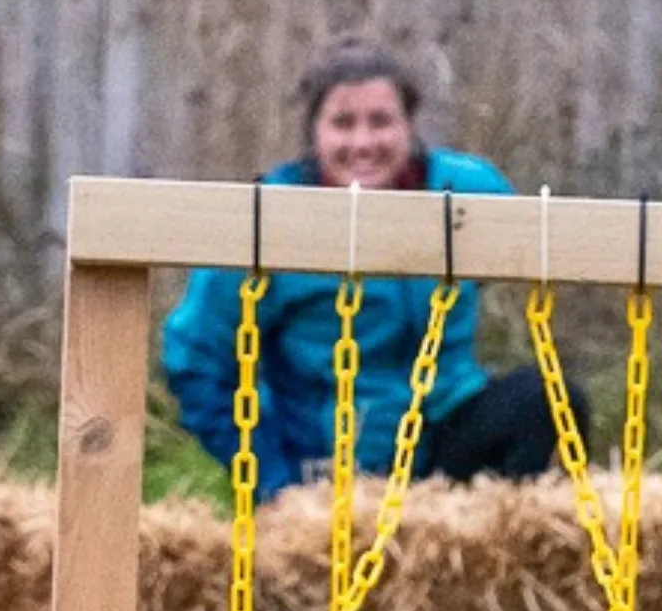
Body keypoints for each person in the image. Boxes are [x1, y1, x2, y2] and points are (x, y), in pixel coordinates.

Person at [161, 36, 583, 504]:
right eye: (343, 123)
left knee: (549, 399)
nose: (363, 143)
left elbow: (547, 251)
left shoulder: (468, 189)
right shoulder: (270, 214)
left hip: (444, 433)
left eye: (380, 122)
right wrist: (271, 479)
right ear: (314, 132)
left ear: (409, 126)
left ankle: (492, 558)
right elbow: (196, 358)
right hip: (328, 457)